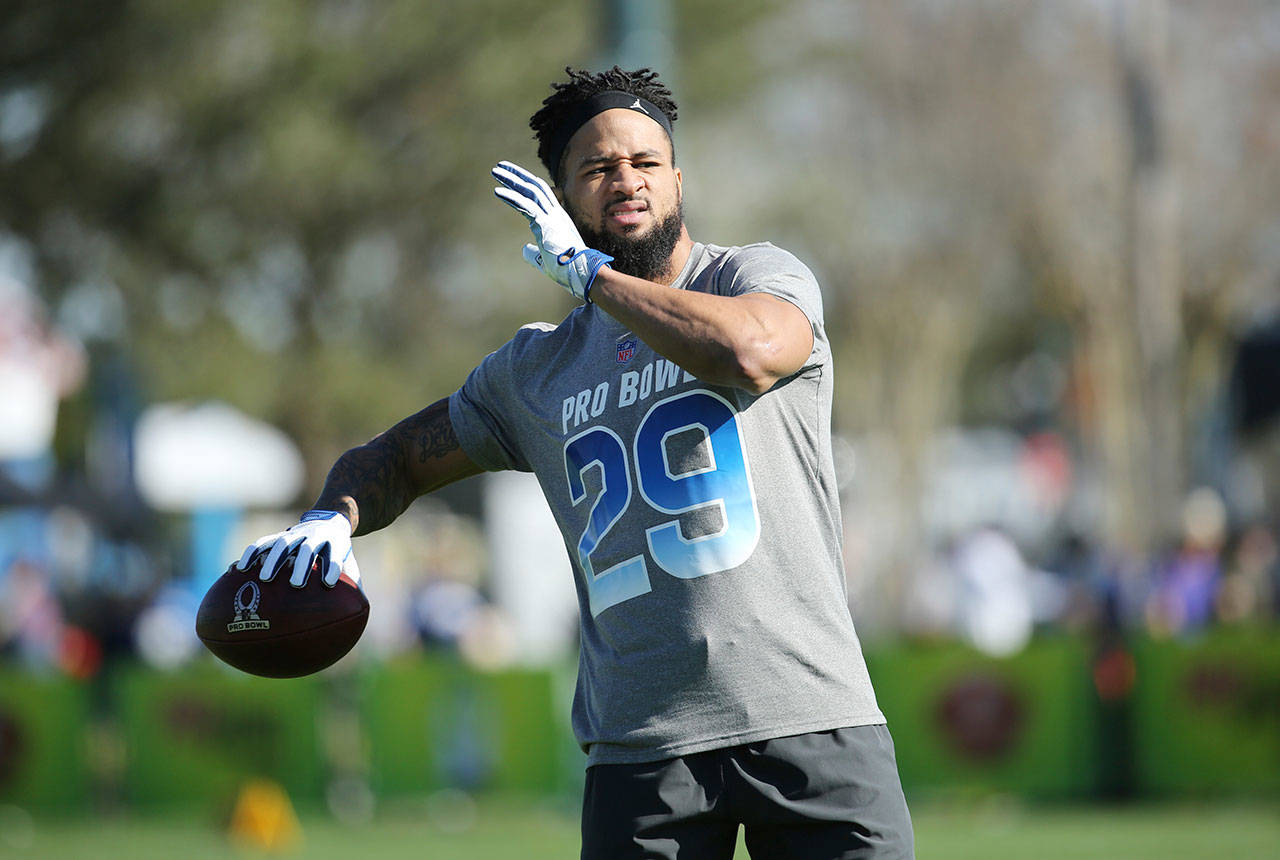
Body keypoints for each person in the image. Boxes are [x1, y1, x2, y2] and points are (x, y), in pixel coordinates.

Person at [235, 66, 914, 859]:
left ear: (678, 178)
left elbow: (749, 352)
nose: (624, 181)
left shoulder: (755, 278)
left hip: (809, 716)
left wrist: (596, 279)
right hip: (643, 747)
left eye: (644, 163)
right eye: (596, 168)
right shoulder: (537, 371)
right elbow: (395, 457)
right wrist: (335, 512)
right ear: (560, 201)